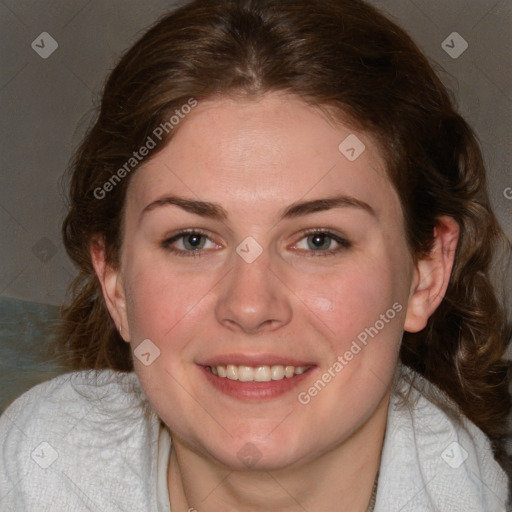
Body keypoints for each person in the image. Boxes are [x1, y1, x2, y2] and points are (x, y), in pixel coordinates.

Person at [1, 0, 510, 510]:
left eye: (319, 240)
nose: (249, 306)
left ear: (426, 274)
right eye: (192, 240)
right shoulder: (32, 468)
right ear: (113, 280)